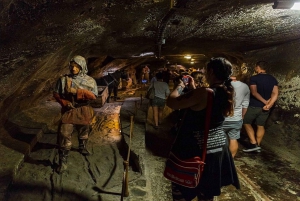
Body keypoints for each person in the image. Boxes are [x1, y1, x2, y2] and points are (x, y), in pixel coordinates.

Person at [166, 57, 240, 201]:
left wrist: (180, 86)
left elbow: (172, 102)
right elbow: (206, 107)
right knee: (206, 193)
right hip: (217, 148)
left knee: (181, 190)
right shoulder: (227, 91)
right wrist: (194, 89)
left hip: (197, 149)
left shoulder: (204, 92)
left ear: (211, 71)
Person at [53, 55, 98, 173]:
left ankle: (82, 147)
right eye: (72, 66)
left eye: (77, 66)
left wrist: (77, 91)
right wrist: (64, 102)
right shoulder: (63, 80)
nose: (73, 69)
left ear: (82, 67)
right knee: (64, 134)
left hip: (83, 110)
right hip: (69, 110)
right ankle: (63, 162)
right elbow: (56, 94)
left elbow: (93, 96)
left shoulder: (90, 80)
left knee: (84, 130)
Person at [243, 61, 279, 152]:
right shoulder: (273, 79)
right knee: (260, 125)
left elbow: (254, 92)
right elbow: (275, 93)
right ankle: (258, 145)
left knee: (246, 122)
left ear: (258, 67)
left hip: (254, 105)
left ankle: (253, 143)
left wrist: (264, 102)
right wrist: (269, 104)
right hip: (266, 108)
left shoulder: (254, 78)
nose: (255, 68)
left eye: (256, 67)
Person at [222, 70, 250, 158]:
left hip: (221, 118)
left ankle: (220, 161)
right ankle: (230, 160)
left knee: (219, 141)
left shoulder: (221, 85)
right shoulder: (245, 86)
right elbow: (245, 103)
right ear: (239, 74)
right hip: (236, 118)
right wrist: (242, 116)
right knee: (233, 139)